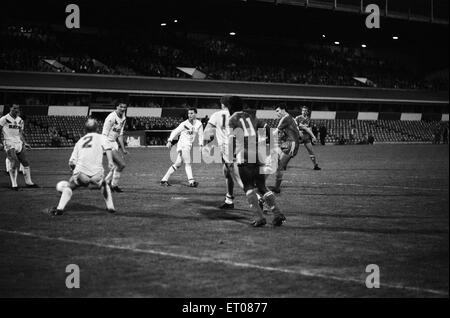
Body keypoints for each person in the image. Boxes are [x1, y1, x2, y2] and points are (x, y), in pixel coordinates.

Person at [227, 98, 285, 227]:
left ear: (230, 108)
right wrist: (272, 146)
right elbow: (269, 129)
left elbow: (231, 140)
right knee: (262, 186)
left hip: (244, 155)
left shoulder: (232, 119)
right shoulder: (252, 116)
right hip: (257, 153)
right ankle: (277, 214)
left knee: (248, 186)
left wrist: (230, 159)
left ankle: (259, 218)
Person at [47, 118, 115, 216]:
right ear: (97, 128)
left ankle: (59, 209)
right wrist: (110, 161)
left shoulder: (79, 141)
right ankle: (111, 207)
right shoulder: (102, 137)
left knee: (70, 185)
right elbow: (108, 148)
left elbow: (71, 162)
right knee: (103, 184)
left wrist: (74, 173)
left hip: (81, 174)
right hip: (97, 174)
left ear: (85, 129)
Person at [203, 96, 235, 209]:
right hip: (240, 147)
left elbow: (208, 132)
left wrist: (204, 144)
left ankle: (260, 198)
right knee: (227, 172)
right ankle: (229, 199)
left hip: (227, 148)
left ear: (222, 104)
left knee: (237, 176)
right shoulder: (238, 115)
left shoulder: (217, 115)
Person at [161, 107, 204, 187]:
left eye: (191, 113)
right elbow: (175, 131)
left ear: (195, 114)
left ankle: (164, 180)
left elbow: (201, 135)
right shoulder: (184, 124)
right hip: (183, 145)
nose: (190, 115)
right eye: (189, 113)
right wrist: (170, 140)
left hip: (188, 145)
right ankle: (191, 182)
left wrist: (201, 145)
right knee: (188, 163)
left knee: (177, 164)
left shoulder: (199, 124)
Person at [0, 104, 38, 190]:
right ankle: (14, 185)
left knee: (25, 162)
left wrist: (25, 142)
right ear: (10, 108)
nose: (16, 110)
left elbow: (20, 133)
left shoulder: (20, 120)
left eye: (17, 108)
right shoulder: (4, 119)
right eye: (14, 108)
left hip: (19, 143)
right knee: (14, 161)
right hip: (9, 142)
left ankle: (29, 183)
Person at [268, 104, 301, 194]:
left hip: (291, 144)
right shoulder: (290, 117)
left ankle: (276, 188)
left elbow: (275, 132)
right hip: (290, 143)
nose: (277, 113)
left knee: (279, 166)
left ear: (283, 110)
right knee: (276, 161)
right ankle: (275, 186)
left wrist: (262, 138)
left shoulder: (285, 118)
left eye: (278, 111)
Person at [102, 103, 128, 192]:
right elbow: (104, 135)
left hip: (114, 143)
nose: (123, 108)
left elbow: (120, 134)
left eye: (124, 107)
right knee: (121, 164)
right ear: (116, 107)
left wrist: (123, 149)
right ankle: (113, 185)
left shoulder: (123, 118)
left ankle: (106, 183)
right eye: (121, 107)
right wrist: (107, 148)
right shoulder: (111, 118)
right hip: (107, 143)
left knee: (116, 166)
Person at [295, 106, 321, 170]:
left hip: (306, 137)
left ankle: (315, 165)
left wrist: (312, 137)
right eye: (303, 110)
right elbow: (294, 126)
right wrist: (298, 131)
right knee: (292, 151)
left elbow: (309, 128)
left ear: (307, 112)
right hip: (299, 137)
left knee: (311, 151)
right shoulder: (297, 118)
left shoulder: (308, 119)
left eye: (305, 111)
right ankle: (283, 163)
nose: (304, 112)